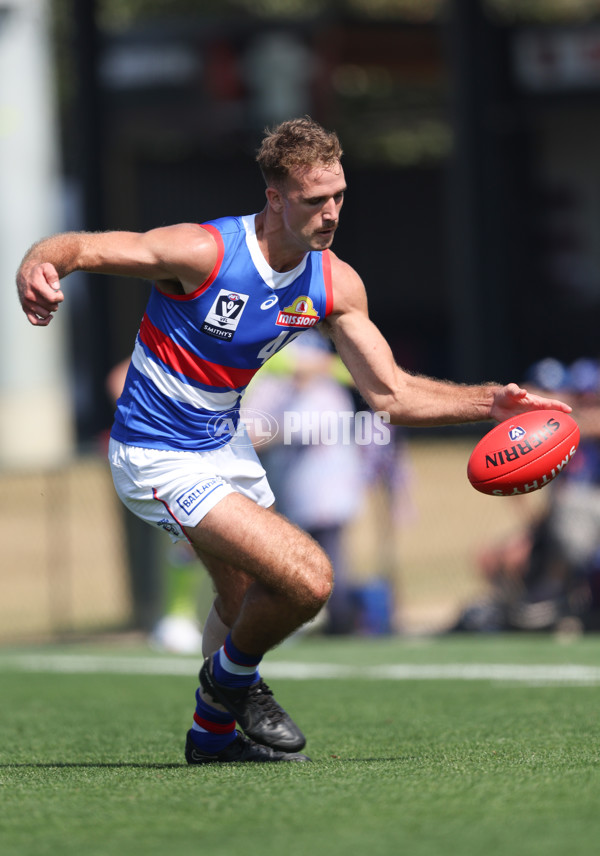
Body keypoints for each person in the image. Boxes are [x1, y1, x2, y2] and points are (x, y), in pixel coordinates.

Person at [16, 116, 572, 765]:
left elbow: (391, 396)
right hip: (154, 452)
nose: (331, 212)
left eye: (338, 195)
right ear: (276, 197)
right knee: (306, 581)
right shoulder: (204, 253)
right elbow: (82, 248)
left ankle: (211, 737)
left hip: (223, 447)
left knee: (245, 602)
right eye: (315, 199)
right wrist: (40, 263)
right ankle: (229, 684)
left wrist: (490, 402)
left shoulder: (334, 284)